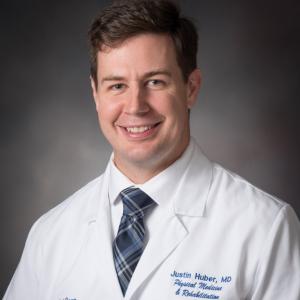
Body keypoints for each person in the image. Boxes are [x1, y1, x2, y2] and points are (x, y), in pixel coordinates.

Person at [4, 0, 300, 299]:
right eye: (117, 86)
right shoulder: (50, 234)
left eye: (155, 82)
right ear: (96, 94)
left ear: (191, 88)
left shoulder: (264, 228)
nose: (135, 106)